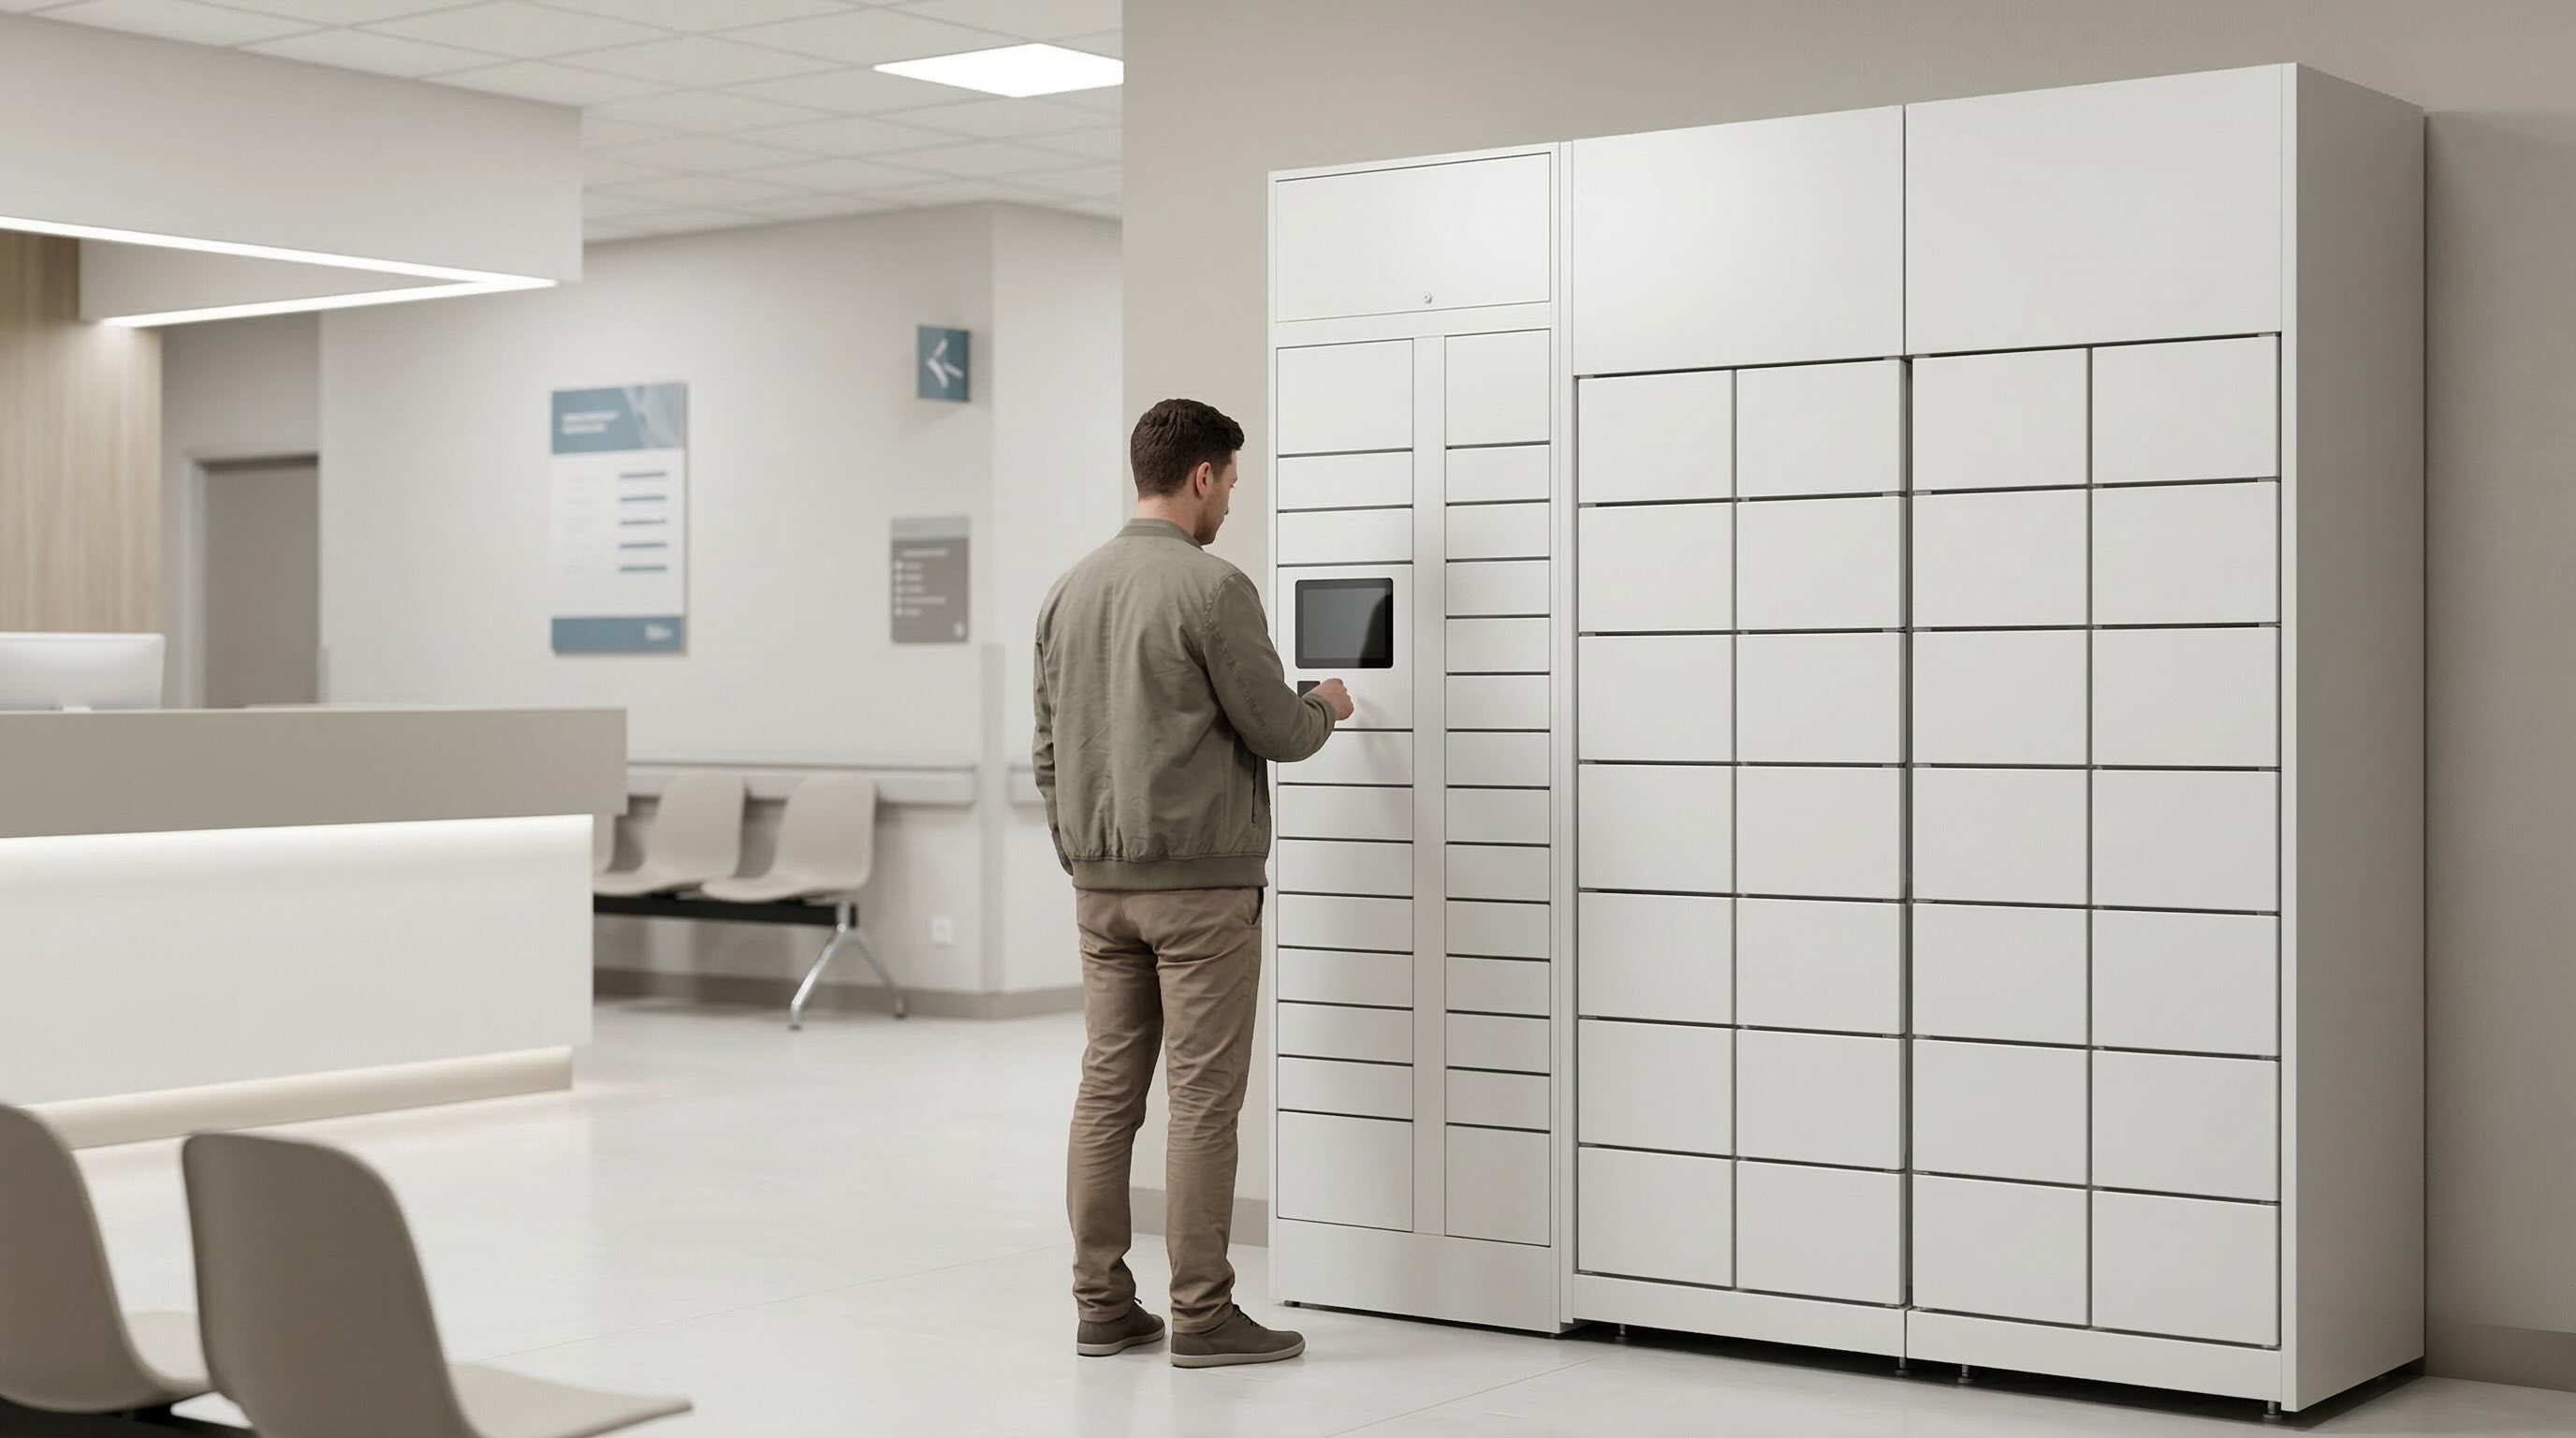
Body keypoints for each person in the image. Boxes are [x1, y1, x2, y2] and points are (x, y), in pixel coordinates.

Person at [1033, 398, 1354, 1369]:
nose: (1231, 504)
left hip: (1101, 886)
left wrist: (1082, 859)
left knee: (1105, 1096)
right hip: (1202, 890)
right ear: (1204, 476)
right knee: (1203, 1101)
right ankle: (1204, 1317)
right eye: (1232, 484)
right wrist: (1325, 704)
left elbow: (1047, 750)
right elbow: (1278, 731)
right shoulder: (1213, 589)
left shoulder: (1068, 590)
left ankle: (1101, 1305)